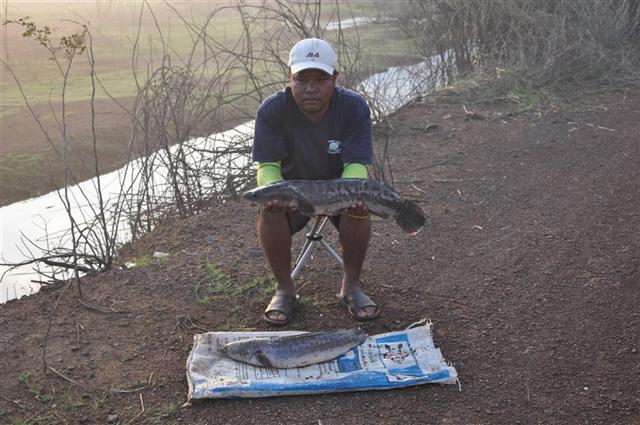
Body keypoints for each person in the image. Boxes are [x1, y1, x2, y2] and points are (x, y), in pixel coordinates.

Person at [251, 38, 379, 325]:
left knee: (359, 208)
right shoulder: (272, 110)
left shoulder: (353, 107)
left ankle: (352, 287)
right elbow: (268, 166)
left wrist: (349, 193)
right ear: (290, 77)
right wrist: (274, 192)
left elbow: (357, 164)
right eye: (302, 79)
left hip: (339, 189)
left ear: (334, 78)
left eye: (320, 79)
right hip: (295, 196)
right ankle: (285, 290)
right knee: (268, 210)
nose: (310, 88)